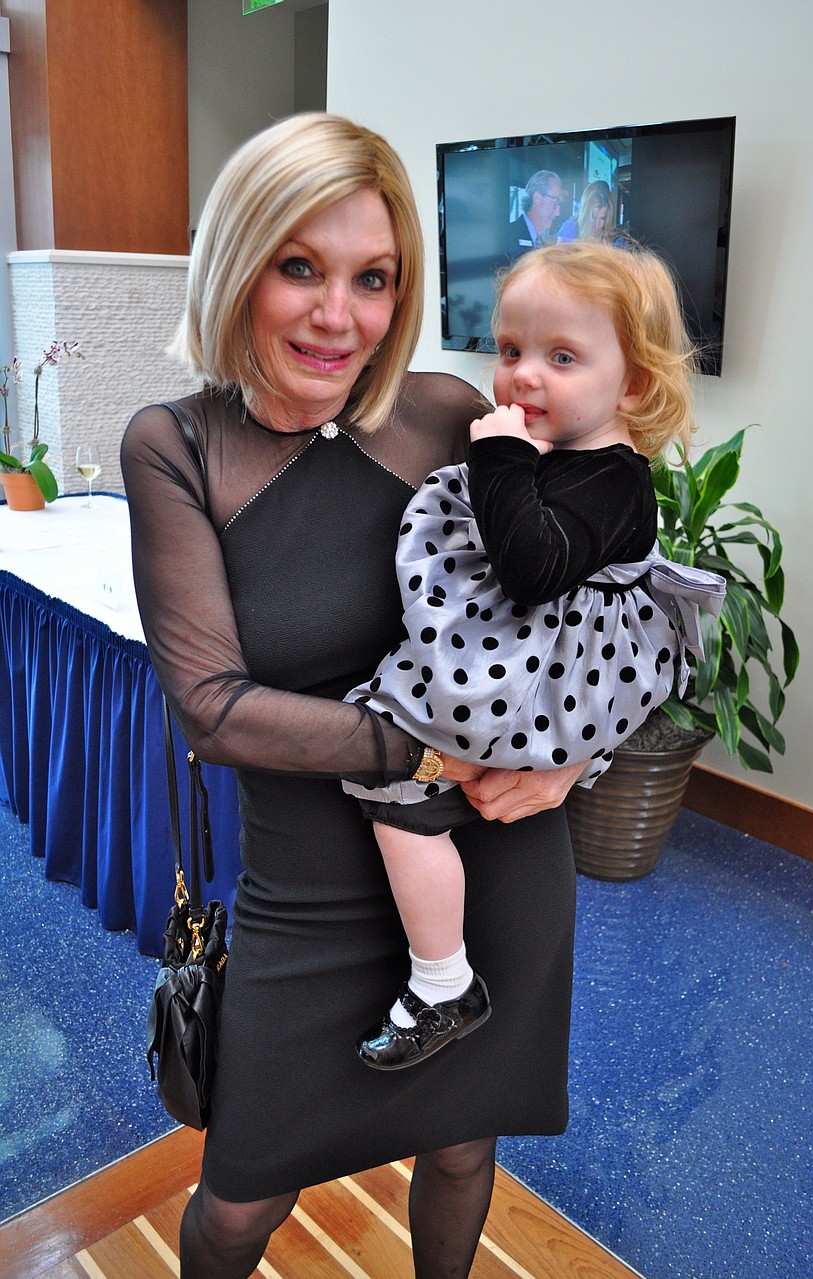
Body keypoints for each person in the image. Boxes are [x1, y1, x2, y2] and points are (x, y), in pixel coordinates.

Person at [121, 113, 587, 1279]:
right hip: (308, 892)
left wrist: (579, 757)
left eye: (372, 278)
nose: (340, 317)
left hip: (494, 863)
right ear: (236, 264)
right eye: (299, 267)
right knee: (238, 1199)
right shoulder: (175, 446)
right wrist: (431, 755)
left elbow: (599, 594)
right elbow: (213, 708)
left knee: (465, 1143)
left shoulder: (441, 415)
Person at [343, 239, 725, 1071]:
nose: (522, 375)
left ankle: (443, 981)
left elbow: (531, 568)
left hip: (548, 677)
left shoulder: (616, 478)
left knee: (384, 772)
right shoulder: (570, 456)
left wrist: (503, 458)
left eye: (561, 356)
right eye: (511, 350)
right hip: (537, 665)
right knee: (405, 785)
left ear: (633, 382)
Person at [505, 169, 564, 257]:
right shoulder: (508, 237)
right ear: (537, 198)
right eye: (555, 202)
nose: (557, 212)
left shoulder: (544, 244)